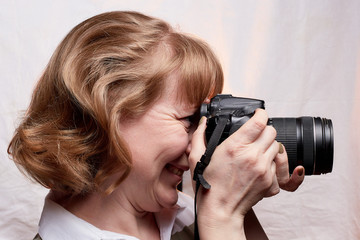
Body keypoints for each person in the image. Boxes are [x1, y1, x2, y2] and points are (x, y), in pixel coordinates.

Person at [8, 11, 305, 240]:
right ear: (107, 113)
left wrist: (237, 198)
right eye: (190, 120)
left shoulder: (185, 212)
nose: (201, 141)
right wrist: (223, 218)